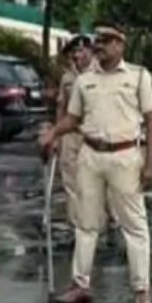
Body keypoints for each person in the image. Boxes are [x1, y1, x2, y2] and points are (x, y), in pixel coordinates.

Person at [39, 22, 152, 303]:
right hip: (90, 154)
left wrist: (151, 163)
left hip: (125, 155)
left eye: (106, 41)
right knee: (86, 223)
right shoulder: (84, 80)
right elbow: (73, 119)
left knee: (134, 225)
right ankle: (80, 284)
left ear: (121, 44)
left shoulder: (138, 76)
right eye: (98, 41)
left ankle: (141, 288)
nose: (100, 46)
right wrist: (53, 133)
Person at [56, 34, 95, 230]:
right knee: (71, 182)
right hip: (71, 135)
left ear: (90, 51)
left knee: (95, 183)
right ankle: (76, 225)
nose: (77, 56)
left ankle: (105, 221)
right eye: (74, 52)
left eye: (80, 51)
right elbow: (61, 108)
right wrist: (56, 136)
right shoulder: (67, 78)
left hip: (94, 136)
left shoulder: (101, 74)